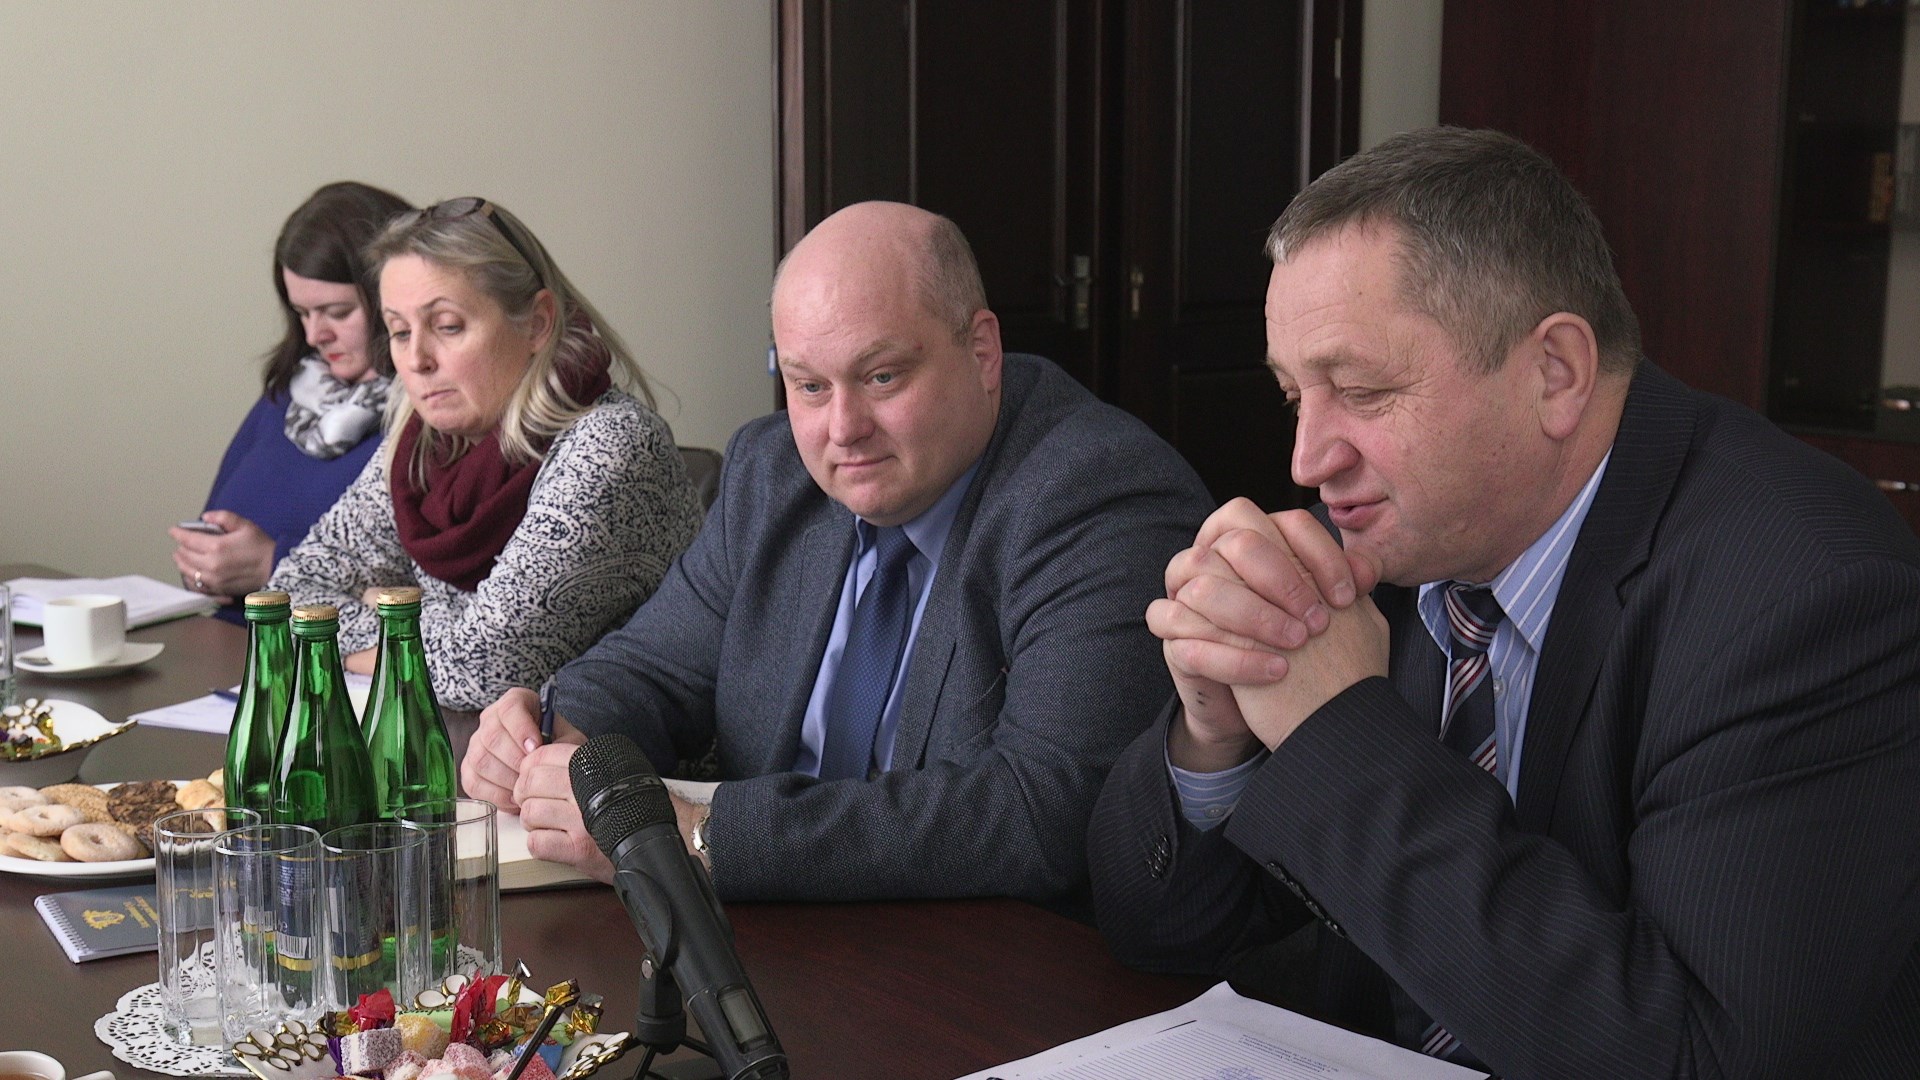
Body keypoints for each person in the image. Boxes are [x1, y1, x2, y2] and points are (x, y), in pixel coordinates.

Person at [1087, 128, 1920, 1077]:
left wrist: (1337, 732)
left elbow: (1698, 1056)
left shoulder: (1806, 598)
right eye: (1293, 397)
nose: (1308, 460)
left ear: (1554, 372)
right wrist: (1215, 733)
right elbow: (1156, 929)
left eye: (1362, 390)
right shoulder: (1383, 537)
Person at [463, 201, 1214, 904]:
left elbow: (1040, 812)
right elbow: (652, 668)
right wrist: (558, 732)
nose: (843, 428)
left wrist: (701, 837)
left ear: (983, 352)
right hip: (774, 936)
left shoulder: (1096, 495)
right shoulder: (771, 472)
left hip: (985, 956)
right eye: (810, 386)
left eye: (882, 376)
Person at [268, 198, 705, 711]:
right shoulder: (422, 443)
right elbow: (291, 597)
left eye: (448, 326)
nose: (416, 359)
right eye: (400, 332)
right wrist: (439, 632)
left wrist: (375, 617)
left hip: (613, 756)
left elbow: (483, 670)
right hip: (469, 745)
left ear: (537, 323)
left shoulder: (610, 445)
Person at [172, 182, 412, 621]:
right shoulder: (293, 393)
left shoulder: (430, 417)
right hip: (235, 643)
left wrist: (274, 565)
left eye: (338, 313)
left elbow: (427, 599)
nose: (315, 335)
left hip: (329, 654)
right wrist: (208, 565)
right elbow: (218, 521)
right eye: (302, 313)